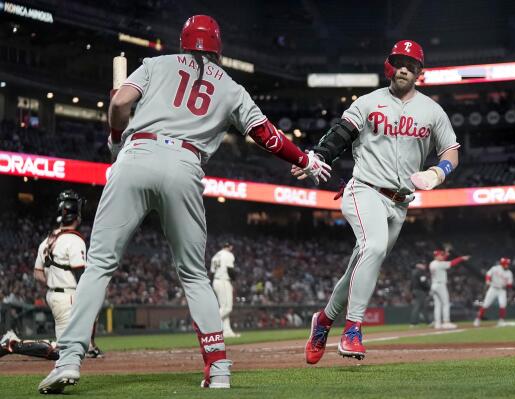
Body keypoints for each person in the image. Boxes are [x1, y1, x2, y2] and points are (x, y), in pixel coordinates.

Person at [38, 15, 330, 394]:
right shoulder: (231, 86)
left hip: (136, 153)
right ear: (217, 47)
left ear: (184, 42)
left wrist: (115, 139)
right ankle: (219, 367)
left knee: (99, 267)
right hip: (185, 164)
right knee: (193, 274)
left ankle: (69, 360)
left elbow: (120, 102)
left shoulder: (155, 64)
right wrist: (304, 160)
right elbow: (266, 135)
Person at [297, 40, 461, 365]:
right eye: (399, 62)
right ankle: (353, 329)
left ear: (420, 72)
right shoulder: (369, 102)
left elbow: (451, 152)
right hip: (365, 190)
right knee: (372, 247)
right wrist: (317, 155)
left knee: (362, 262)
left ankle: (324, 321)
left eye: (411, 64)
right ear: (390, 66)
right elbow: (341, 133)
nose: (404, 68)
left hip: (400, 204)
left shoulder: (432, 110)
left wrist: (438, 174)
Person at [1, 190, 103, 362]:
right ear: (76, 215)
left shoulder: (48, 240)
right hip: (69, 296)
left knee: (73, 348)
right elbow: (80, 273)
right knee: (65, 350)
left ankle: (90, 346)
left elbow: (37, 273)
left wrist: (55, 281)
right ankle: (13, 343)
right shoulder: (75, 240)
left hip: (55, 295)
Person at [429, 250, 470, 329]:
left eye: (442, 255)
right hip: (440, 285)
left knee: (437, 305)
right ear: (436, 256)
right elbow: (452, 263)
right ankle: (446, 322)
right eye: (440, 255)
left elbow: (442, 261)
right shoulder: (440, 264)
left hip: (434, 285)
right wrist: (461, 258)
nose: (442, 256)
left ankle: (437, 323)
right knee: (446, 304)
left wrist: (446, 255)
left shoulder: (432, 263)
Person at [210, 243, 240, 338]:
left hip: (216, 281)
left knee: (223, 307)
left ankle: (227, 331)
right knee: (227, 308)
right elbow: (230, 270)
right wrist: (235, 281)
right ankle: (209, 325)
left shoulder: (216, 255)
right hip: (223, 281)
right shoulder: (228, 254)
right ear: (231, 246)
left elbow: (212, 272)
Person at [473, 257, 513, 327]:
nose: (507, 265)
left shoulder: (509, 273)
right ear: (502, 264)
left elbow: (510, 284)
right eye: (506, 264)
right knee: (485, 304)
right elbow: (488, 274)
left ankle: (501, 321)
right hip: (493, 289)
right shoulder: (495, 268)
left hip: (502, 290)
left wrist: (507, 285)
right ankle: (478, 319)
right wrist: (488, 281)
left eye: (508, 264)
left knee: (503, 305)